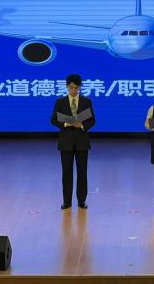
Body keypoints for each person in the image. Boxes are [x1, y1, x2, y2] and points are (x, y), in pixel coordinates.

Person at [50, 74, 96, 210]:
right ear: (67, 87)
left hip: (82, 142)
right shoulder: (60, 102)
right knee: (66, 172)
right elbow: (53, 120)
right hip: (66, 142)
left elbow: (92, 120)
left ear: (79, 87)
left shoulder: (86, 102)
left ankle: (81, 201)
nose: (73, 90)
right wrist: (66, 123)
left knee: (82, 172)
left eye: (76, 88)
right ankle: (67, 201)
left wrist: (82, 125)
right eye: (71, 87)